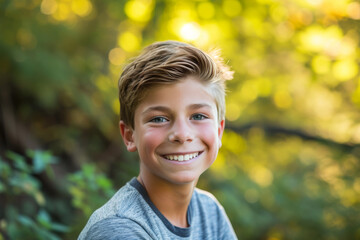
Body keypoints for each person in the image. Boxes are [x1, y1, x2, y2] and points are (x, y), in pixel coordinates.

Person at [78, 40, 237, 239]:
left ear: (219, 130)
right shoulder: (118, 228)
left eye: (198, 116)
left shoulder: (210, 212)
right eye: (159, 119)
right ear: (129, 136)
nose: (182, 134)